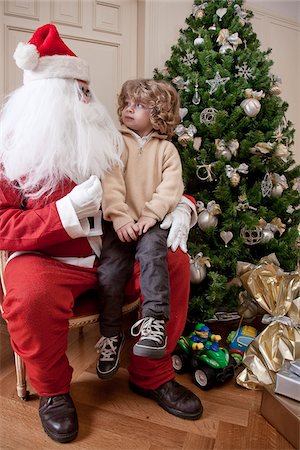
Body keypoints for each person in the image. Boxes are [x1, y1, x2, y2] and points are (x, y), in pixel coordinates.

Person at [0, 23, 203, 445]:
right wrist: (63, 213)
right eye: (79, 93)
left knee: (174, 261)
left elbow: (151, 178)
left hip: (115, 248)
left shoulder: (108, 137)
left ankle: (152, 374)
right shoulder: (12, 154)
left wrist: (184, 206)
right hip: (49, 259)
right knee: (29, 294)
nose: (89, 102)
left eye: (87, 92)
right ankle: (53, 391)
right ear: (45, 103)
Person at [95, 79, 184, 379]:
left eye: (139, 105)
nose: (129, 109)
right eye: (127, 104)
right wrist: (119, 218)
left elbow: (171, 188)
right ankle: (111, 336)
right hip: (120, 224)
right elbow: (111, 182)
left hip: (151, 223)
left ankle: (153, 324)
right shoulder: (115, 142)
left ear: (158, 114)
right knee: (109, 272)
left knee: (153, 259)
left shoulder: (167, 150)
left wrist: (151, 216)